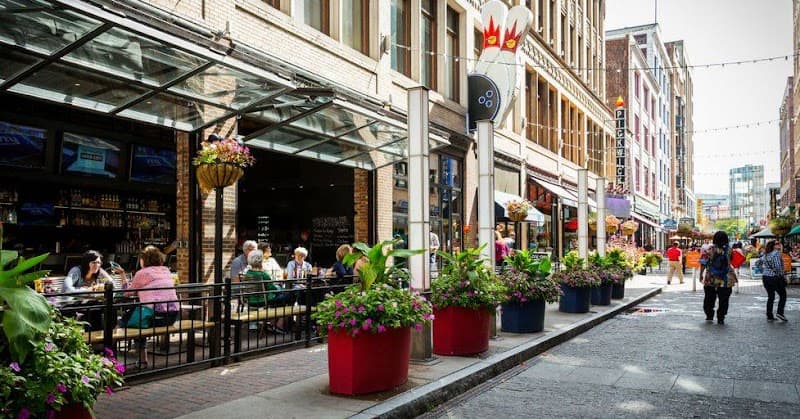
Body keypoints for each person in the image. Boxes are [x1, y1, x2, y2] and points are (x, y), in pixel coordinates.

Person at [123, 246, 180, 367]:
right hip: (172, 316)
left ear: (144, 259)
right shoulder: (166, 270)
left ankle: (111, 356)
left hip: (154, 316)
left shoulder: (142, 273)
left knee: (130, 322)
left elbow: (127, 293)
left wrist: (123, 275)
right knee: (137, 319)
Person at [699, 231, 736, 325]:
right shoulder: (730, 250)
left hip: (711, 276)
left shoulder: (709, 249)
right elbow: (731, 261)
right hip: (726, 277)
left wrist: (701, 274)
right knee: (724, 298)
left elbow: (703, 263)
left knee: (709, 297)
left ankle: (709, 315)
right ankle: (721, 317)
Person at [755, 240, 788, 322]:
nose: (779, 245)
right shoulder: (776, 253)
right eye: (777, 244)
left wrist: (763, 270)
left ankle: (769, 315)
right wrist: (782, 275)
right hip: (775, 278)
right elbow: (777, 267)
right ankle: (780, 313)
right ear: (774, 246)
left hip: (766, 277)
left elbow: (757, 263)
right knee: (783, 295)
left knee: (771, 296)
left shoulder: (765, 254)